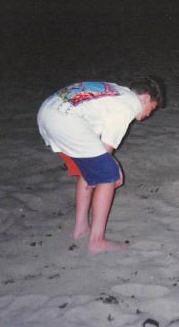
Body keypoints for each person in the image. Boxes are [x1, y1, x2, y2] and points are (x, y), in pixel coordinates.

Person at [37, 76, 165, 254]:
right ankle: (97, 241)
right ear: (144, 99)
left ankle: (81, 228)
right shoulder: (128, 105)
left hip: (47, 112)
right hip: (65, 121)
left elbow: (94, 146)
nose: (149, 114)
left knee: (90, 169)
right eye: (152, 108)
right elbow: (106, 150)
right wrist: (114, 167)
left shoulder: (115, 91)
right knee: (108, 175)